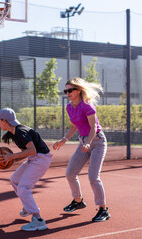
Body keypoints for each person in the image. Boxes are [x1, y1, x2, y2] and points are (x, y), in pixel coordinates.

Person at [53, 77, 110, 222]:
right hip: (83, 141)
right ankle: (78, 201)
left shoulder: (87, 106)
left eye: (70, 90)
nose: (68, 93)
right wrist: (64, 139)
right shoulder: (69, 107)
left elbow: (94, 127)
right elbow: (74, 126)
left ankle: (103, 210)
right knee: (70, 173)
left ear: (78, 91)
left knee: (93, 177)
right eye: (66, 90)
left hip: (97, 141)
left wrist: (88, 142)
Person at [0, 107, 52, 231]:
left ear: (4, 121)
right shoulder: (14, 133)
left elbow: (32, 150)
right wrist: (12, 160)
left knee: (23, 187)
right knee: (14, 179)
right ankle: (28, 207)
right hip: (34, 158)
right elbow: (27, 152)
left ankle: (38, 220)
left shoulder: (21, 132)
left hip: (41, 159)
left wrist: (12, 156)